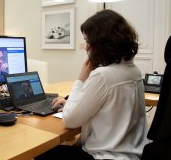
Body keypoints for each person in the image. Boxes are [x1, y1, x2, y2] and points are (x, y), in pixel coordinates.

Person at [36, 9, 149, 160]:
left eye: (89, 41)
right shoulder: (134, 70)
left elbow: (69, 121)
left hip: (106, 156)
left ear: (102, 42)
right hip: (132, 154)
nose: (87, 47)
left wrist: (81, 78)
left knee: (41, 152)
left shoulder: (103, 75)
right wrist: (72, 102)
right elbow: (106, 105)